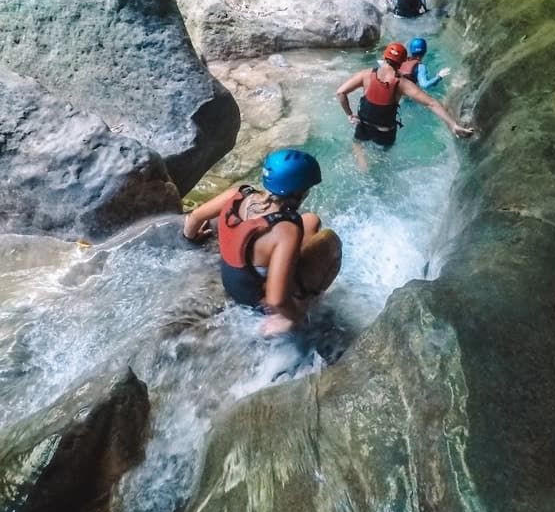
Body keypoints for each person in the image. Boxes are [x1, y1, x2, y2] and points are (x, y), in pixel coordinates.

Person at [183, 149, 342, 337]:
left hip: (236, 280)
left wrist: (192, 237)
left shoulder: (238, 194)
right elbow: (275, 299)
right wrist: (292, 318)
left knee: (311, 220)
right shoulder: (284, 230)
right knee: (330, 241)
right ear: (298, 191)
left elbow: (194, 217)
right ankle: (306, 301)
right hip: (261, 301)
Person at [336, 43, 473, 163]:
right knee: (383, 158)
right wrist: (453, 124)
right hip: (385, 132)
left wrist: (349, 114)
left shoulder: (365, 74)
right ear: (402, 63)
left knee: (357, 144)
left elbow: (340, 93)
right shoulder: (402, 84)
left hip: (364, 126)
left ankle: (362, 166)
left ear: (383, 58)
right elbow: (431, 103)